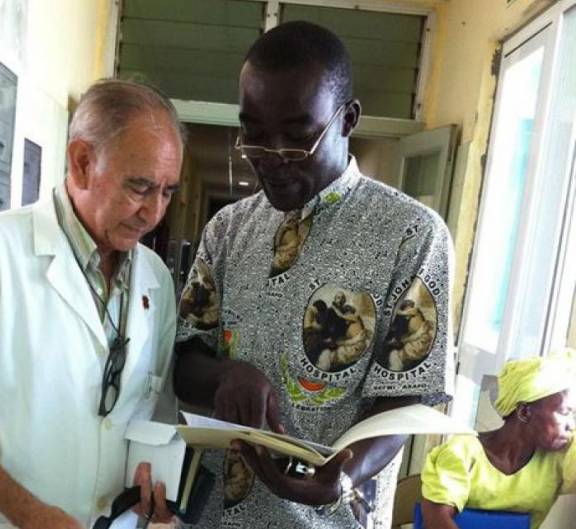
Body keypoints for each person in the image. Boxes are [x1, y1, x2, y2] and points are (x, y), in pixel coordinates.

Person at [173, 20, 454, 529]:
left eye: (298, 136)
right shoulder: (228, 230)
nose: (272, 158)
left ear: (347, 119)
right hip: (213, 516)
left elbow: (407, 396)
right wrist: (227, 374)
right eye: (254, 136)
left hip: (331, 518)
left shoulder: (411, 236)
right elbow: (185, 358)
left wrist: (343, 474)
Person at [0, 79, 185, 529]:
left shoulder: (156, 280)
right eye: (140, 186)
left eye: (167, 191)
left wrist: (154, 478)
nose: (154, 212)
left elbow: (151, 408)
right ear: (83, 162)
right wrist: (27, 513)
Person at [421, 353, 576, 529]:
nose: (570, 425)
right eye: (564, 413)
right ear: (524, 412)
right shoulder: (463, 452)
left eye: (574, 415)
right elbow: (435, 520)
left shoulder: (559, 458)